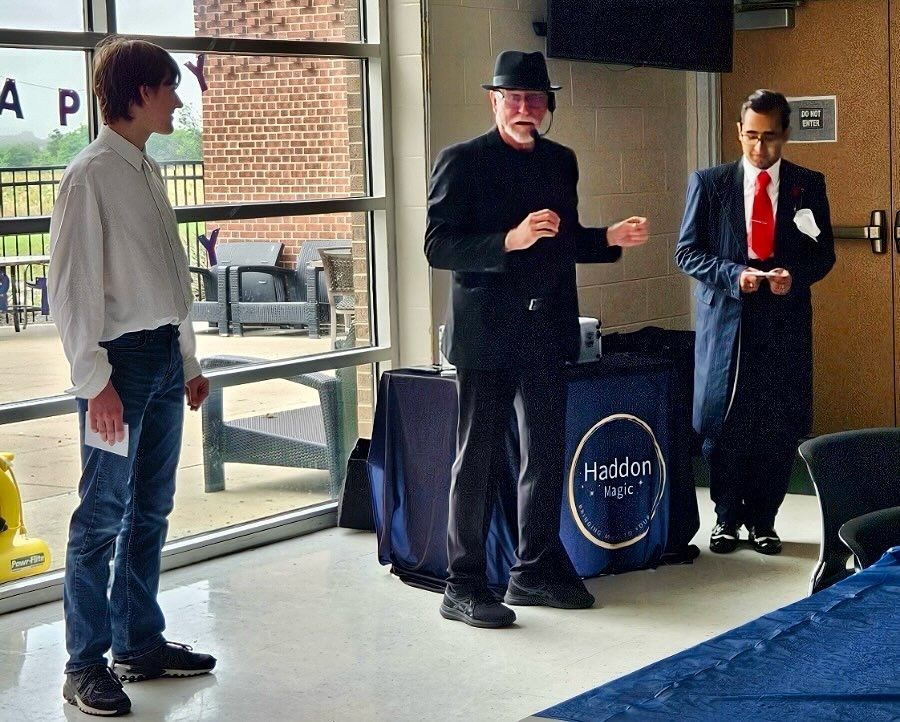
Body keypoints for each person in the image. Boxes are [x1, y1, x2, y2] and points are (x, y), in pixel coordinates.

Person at [425, 50, 648, 629]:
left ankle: (534, 569)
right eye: (513, 98)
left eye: (534, 98)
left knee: (545, 454)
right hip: (486, 334)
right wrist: (508, 240)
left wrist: (609, 238)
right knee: (475, 459)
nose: (524, 108)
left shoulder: (561, 161)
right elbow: (438, 246)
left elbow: (564, 238)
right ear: (493, 100)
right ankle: (463, 582)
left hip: (547, 328)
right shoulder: (462, 161)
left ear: (547, 104)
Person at [49, 37, 216, 717]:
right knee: (101, 519)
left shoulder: (144, 169)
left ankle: (138, 644)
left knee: (150, 510)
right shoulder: (90, 175)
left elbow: (169, 278)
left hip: (158, 364)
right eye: (170, 87)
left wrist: (188, 361)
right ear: (140, 93)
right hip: (118, 370)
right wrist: (97, 386)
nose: (178, 98)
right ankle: (83, 664)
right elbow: (70, 291)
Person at [674, 89, 835, 557]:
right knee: (722, 424)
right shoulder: (710, 183)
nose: (759, 149)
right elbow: (686, 251)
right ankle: (725, 520)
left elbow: (822, 254)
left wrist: (795, 275)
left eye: (769, 138)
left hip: (782, 320)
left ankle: (764, 520)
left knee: (777, 423)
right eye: (750, 137)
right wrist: (732, 274)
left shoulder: (809, 183)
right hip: (728, 320)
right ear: (738, 133)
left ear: (784, 134)